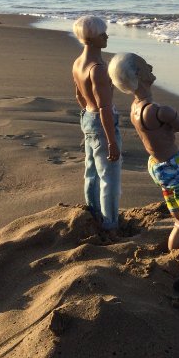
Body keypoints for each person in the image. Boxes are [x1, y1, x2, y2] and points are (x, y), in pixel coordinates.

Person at [107, 52, 179, 293]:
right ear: (138, 75)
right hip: (177, 169)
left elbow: (161, 131)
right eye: (145, 65)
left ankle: (170, 260)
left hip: (158, 168)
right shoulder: (160, 109)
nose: (151, 66)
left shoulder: (137, 108)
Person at [72, 15, 122, 241]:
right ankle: (110, 224)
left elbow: (78, 95)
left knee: (91, 171)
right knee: (109, 176)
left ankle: (92, 212)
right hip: (101, 121)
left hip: (87, 118)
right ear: (91, 39)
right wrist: (111, 140)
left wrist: (87, 114)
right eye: (103, 34)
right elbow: (104, 107)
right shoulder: (98, 68)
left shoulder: (77, 63)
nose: (106, 36)